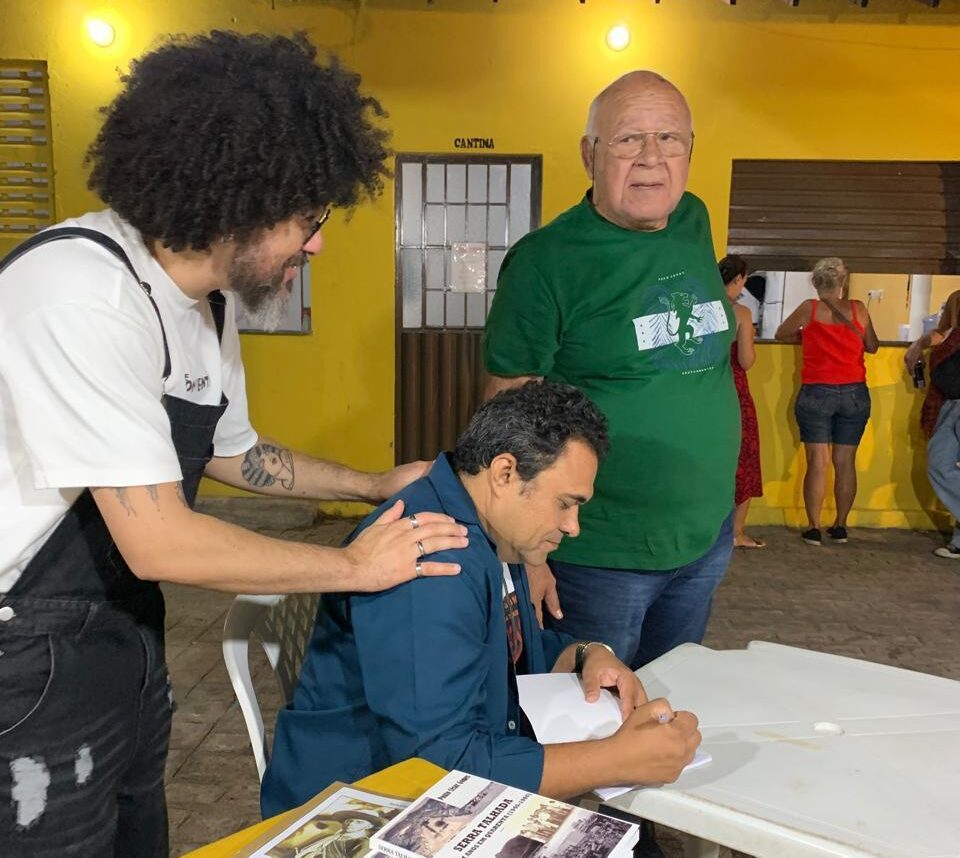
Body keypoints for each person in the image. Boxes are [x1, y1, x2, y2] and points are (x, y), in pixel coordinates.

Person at [0, 32, 469, 857]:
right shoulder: (81, 292)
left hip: (119, 635)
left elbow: (232, 452)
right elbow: (158, 540)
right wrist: (355, 568)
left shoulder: (206, 306)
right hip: (21, 656)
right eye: (307, 217)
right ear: (237, 199)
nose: (318, 242)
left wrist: (368, 483)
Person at [261, 382, 701, 816]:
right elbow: (440, 767)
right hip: (365, 806)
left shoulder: (489, 526)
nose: (573, 526)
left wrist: (586, 654)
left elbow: (502, 651)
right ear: (505, 473)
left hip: (440, 781)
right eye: (565, 503)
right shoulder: (434, 560)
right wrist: (615, 760)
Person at [482, 71, 739, 671]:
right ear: (589, 154)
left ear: (690, 151)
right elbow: (506, 414)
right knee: (590, 721)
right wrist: (526, 551)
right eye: (628, 140)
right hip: (597, 551)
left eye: (669, 139)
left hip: (703, 535)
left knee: (667, 701)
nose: (652, 158)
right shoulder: (545, 262)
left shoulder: (693, 219)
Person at [774, 257, 879, 546]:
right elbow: (872, 345)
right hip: (855, 392)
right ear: (843, 282)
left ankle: (813, 527)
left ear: (816, 284)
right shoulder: (859, 309)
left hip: (817, 391)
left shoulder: (810, 309)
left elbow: (780, 333)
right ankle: (841, 525)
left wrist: (807, 337)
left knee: (817, 462)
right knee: (845, 461)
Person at [905, 290, 960, 559]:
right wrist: (919, 344)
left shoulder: (946, 338)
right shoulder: (947, 336)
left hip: (950, 403)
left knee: (941, 465)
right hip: (948, 404)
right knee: (939, 464)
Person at [718, 255, 764, 549]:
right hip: (734, 392)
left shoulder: (698, 308)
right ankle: (736, 532)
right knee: (744, 457)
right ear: (737, 280)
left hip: (702, 390)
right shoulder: (741, 313)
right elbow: (746, 361)